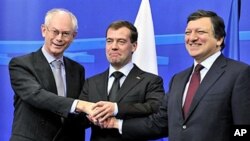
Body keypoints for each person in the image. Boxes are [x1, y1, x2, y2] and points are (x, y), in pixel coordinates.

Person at [103, 10, 250, 141]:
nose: (191, 38)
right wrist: (116, 123)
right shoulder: (178, 79)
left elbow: (244, 128)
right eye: (188, 32)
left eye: (200, 32)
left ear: (219, 39)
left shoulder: (239, 73)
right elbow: (159, 124)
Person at [9, 8, 93, 141]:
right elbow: (36, 95)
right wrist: (79, 105)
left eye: (65, 33)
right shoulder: (21, 64)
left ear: (73, 36)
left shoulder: (77, 70)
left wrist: (95, 116)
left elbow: (76, 117)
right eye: (55, 32)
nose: (59, 38)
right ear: (44, 30)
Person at [78, 20, 165, 141]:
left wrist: (116, 109)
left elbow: (155, 108)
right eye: (109, 41)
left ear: (134, 46)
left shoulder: (151, 81)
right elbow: (79, 121)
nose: (114, 47)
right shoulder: (91, 82)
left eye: (121, 41)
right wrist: (89, 116)